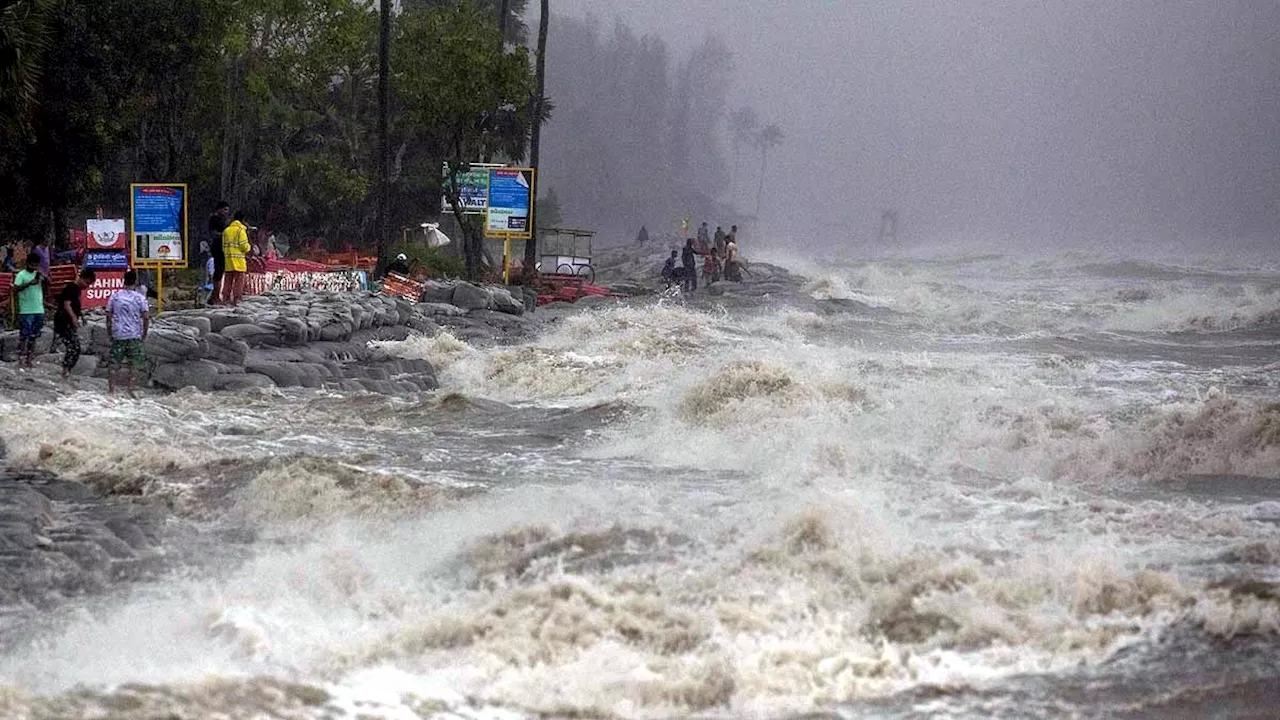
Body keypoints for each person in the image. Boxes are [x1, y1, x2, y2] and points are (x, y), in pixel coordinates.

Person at [106, 269, 149, 397]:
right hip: (134, 334)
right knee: (134, 363)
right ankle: (131, 389)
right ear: (135, 281)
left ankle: (111, 390)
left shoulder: (115, 296)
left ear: (123, 280)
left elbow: (108, 316)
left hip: (118, 334)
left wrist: (109, 331)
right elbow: (146, 317)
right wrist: (144, 333)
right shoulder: (140, 298)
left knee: (114, 362)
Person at [54, 268, 95, 377]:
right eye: (87, 283)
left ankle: (67, 369)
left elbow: (75, 305)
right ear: (82, 278)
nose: (87, 286)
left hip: (68, 322)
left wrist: (81, 316)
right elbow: (67, 304)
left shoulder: (77, 290)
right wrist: (73, 318)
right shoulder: (71, 288)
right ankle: (65, 369)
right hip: (63, 321)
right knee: (74, 347)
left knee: (74, 347)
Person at [13, 252, 46, 368]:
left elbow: (48, 287)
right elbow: (15, 289)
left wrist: (44, 277)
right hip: (26, 310)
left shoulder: (39, 274)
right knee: (24, 335)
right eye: (32, 265)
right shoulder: (21, 275)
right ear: (27, 264)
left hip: (39, 309)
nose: (33, 267)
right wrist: (28, 284)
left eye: (36, 265)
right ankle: (21, 357)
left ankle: (29, 358)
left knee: (34, 336)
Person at [221, 210, 250, 306]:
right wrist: (249, 247)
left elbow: (223, 246)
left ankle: (226, 299)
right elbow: (244, 246)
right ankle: (237, 299)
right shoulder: (240, 230)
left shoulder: (226, 230)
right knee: (239, 281)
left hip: (228, 259)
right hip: (238, 261)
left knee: (228, 280)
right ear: (242, 220)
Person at [207, 201, 230, 305]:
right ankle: (215, 296)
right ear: (219, 209)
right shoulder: (214, 219)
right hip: (217, 248)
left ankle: (215, 296)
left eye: (227, 210)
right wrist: (226, 234)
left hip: (223, 248)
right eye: (225, 209)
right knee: (218, 273)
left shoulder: (223, 220)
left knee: (221, 272)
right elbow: (214, 234)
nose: (226, 212)